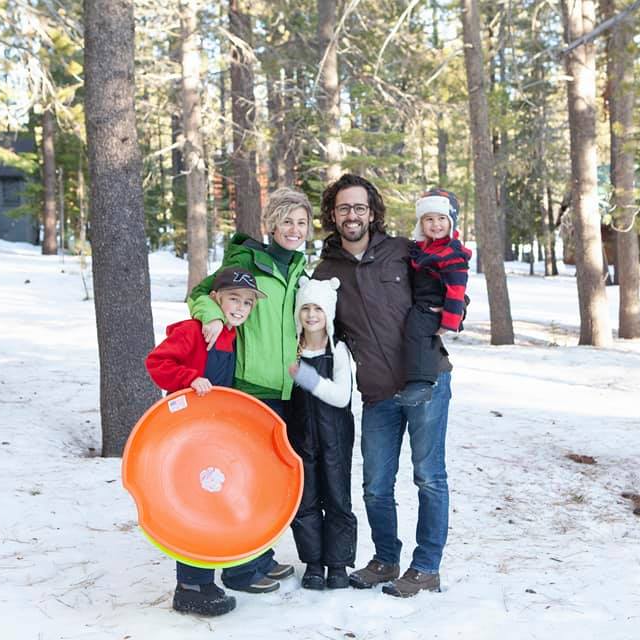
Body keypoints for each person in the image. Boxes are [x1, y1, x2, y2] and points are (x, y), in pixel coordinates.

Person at [313, 174, 453, 598]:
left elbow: (445, 285)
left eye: (359, 207)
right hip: (376, 393)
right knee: (376, 484)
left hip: (427, 382)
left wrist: (450, 315)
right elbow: (320, 330)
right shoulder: (326, 270)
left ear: (372, 212)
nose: (351, 215)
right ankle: (385, 558)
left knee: (429, 477)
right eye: (343, 208)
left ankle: (426, 566)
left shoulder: (403, 252)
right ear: (333, 215)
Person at [185, 187, 313, 593]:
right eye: (286, 221)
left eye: (301, 222)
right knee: (243, 479)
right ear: (271, 223)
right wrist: (211, 319)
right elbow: (202, 294)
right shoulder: (247, 260)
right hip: (249, 387)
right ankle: (239, 569)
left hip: (287, 389)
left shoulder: (300, 268)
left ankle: (257, 556)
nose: (294, 229)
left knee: (269, 481)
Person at [144, 266, 266, 617]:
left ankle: (203, 580)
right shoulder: (193, 331)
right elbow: (157, 363)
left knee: (210, 504)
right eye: (233, 299)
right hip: (185, 434)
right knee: (193, 505)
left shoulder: (231, 335)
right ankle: (189, 587)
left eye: (247, 302)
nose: (240, 307)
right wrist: (189, 378)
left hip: (213, 436)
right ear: (216, 299)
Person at [286, 276, 357, 591]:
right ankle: (314, 563)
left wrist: (307, 378)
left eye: (318, 309)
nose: (311, 315)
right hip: (301, 438)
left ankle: (338, 563)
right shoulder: (293, 349)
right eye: (306, 308)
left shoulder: (338, 351)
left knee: (338, 498)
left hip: (335, 438)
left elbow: (342, 397)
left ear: (328, 313)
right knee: (306, 500)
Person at [394, 188, 471, 406]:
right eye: (429, 219)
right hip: (423, 302)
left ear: (451, 221)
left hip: (435, 306)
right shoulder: (427, 247)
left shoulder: (452, 253)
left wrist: (450, 320)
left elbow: (457, 290)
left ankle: (421, 383)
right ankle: (418, 380)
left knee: (417, 331)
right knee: (414, 332)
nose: (435, 224)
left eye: (441, 219)